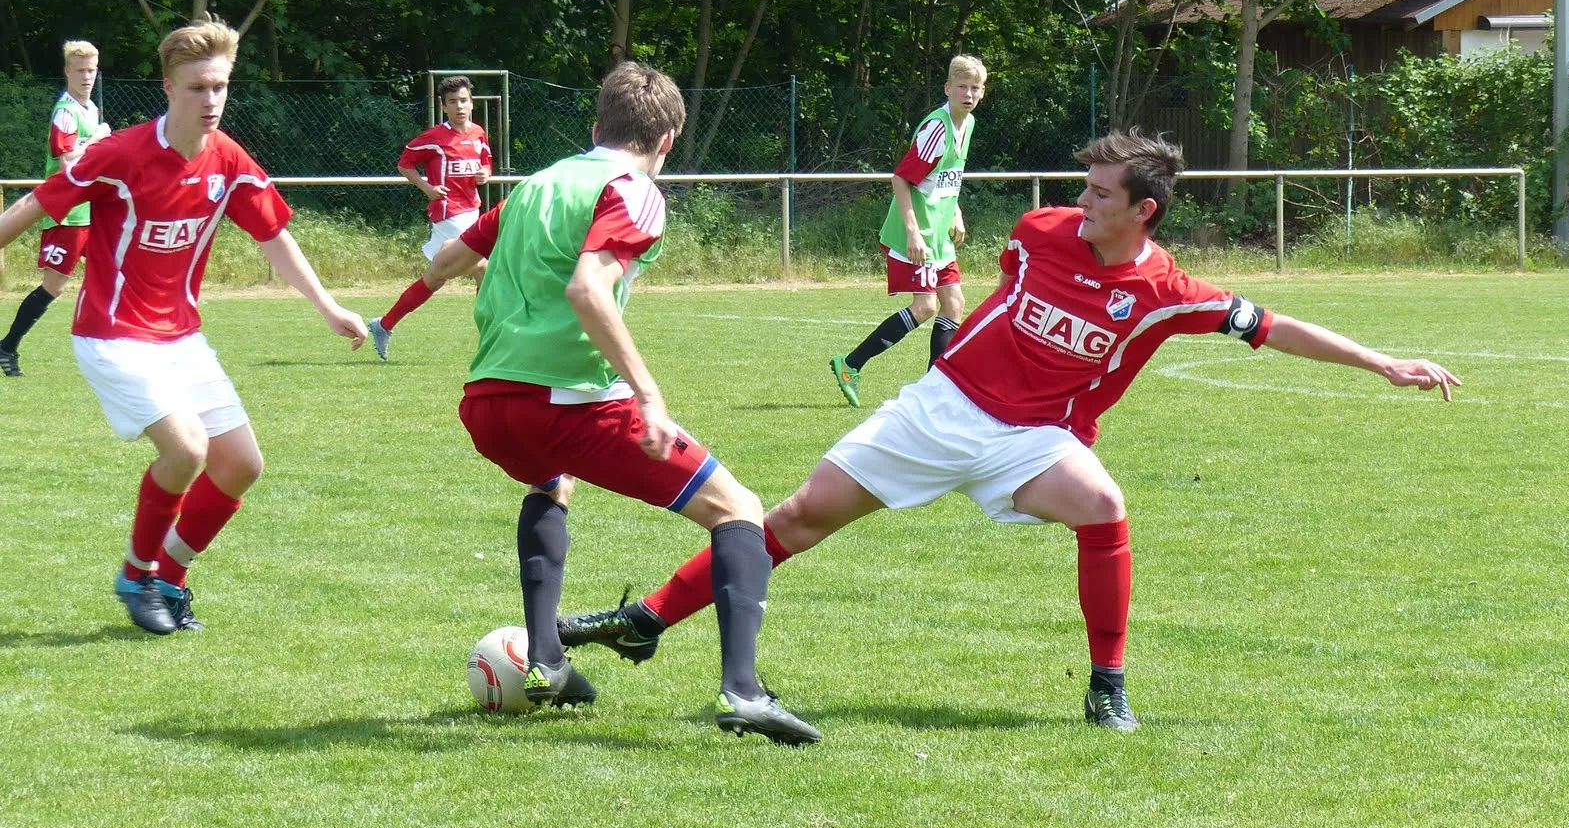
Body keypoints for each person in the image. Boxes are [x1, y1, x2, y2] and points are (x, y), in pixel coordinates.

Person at [565, 130, 1460, 732]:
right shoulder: (1038, 232)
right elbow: (1001, 285)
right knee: (795, 519)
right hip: (942, 408)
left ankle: (1106, 688)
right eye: (1085, 187)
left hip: (1033, 441)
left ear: (1143, 210)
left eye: (1100, 193)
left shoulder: (1166, 293)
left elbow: (1274, 326)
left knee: (1103, 505)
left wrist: (1382, 362)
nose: (1082, 201)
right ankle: (648, 620)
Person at [418, 60, 818, 741]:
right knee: (738, 509)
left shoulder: (536, 185)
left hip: (486, 404)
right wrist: (648, 393)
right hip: (570, 404)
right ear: (666, 141)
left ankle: (546, 661)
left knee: (553, 483)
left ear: (597, 124)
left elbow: (444, 262)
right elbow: (588, 287)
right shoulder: (634, 190)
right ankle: (743, 692)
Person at [0, 20, 368, 634]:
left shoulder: (228, 159)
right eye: (198, 87)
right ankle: (136, 574)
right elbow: (33, 205)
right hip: (113, 335)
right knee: (188, 449)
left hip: (181, 336)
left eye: (220, 86)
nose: (211, 99)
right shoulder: (121, 154)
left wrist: (329, 307)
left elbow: (273, 234)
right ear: (169, 88)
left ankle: (169, 578)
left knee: (241, 464)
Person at [830, 55, 986, 406]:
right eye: (962, 86)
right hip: (917, 234)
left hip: (938, 234)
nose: (968, 93)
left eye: (975, 88)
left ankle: (936, 389)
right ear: (947, 88)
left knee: (954, 304)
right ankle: (851, 365)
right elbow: (901, 179)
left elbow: (947, 178)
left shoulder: (968, 123)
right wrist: (914, 233)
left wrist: (956, 212)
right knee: (926, 306)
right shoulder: (937, 129)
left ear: (982, 92)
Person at [0, 40, 111, 377]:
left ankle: (113, 347)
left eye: (91, 70)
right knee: (55, 285)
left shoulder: (91, 109)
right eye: (80, 70)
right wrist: (97, 141)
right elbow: (67, 162)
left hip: (92, 207)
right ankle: (7, 346)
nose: (87, 76)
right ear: (67, 72)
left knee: (112, 272)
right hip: (68, 211)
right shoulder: (66, 112)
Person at [367, 76, 493, 360]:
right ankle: (491, 340)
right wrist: (427, 187)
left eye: (463, 100)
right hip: (448, 214)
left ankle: (384, 324)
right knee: (484, 266)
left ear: (472, 103)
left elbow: (486, 161)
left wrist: (485, 173)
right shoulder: (434, 138)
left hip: (472, 210)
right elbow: (405, 164)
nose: (459, 106)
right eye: (452, 102)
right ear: (443, 107)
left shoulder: (478, 133)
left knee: (436, 279)